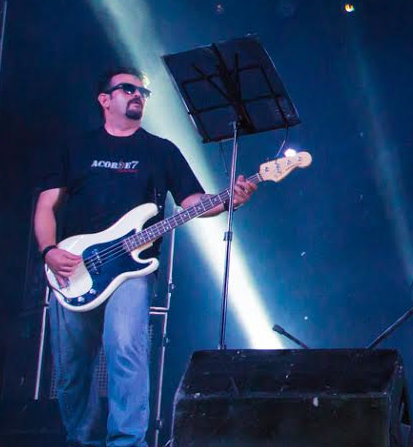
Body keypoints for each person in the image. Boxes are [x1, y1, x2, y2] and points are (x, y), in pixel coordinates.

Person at [34, 67, 257, 446]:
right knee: (71, 369)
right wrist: (49, 251)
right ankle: (81, 440)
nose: (137, 95)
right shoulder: (77, 147)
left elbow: (192, 202)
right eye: (127, 89)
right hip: (74, 267)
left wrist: (227, 200)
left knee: (126, 351)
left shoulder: (161, 150)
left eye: (142, 92)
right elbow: (45, 206)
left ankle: (127, 442)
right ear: (105, 99)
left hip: (131, 271)